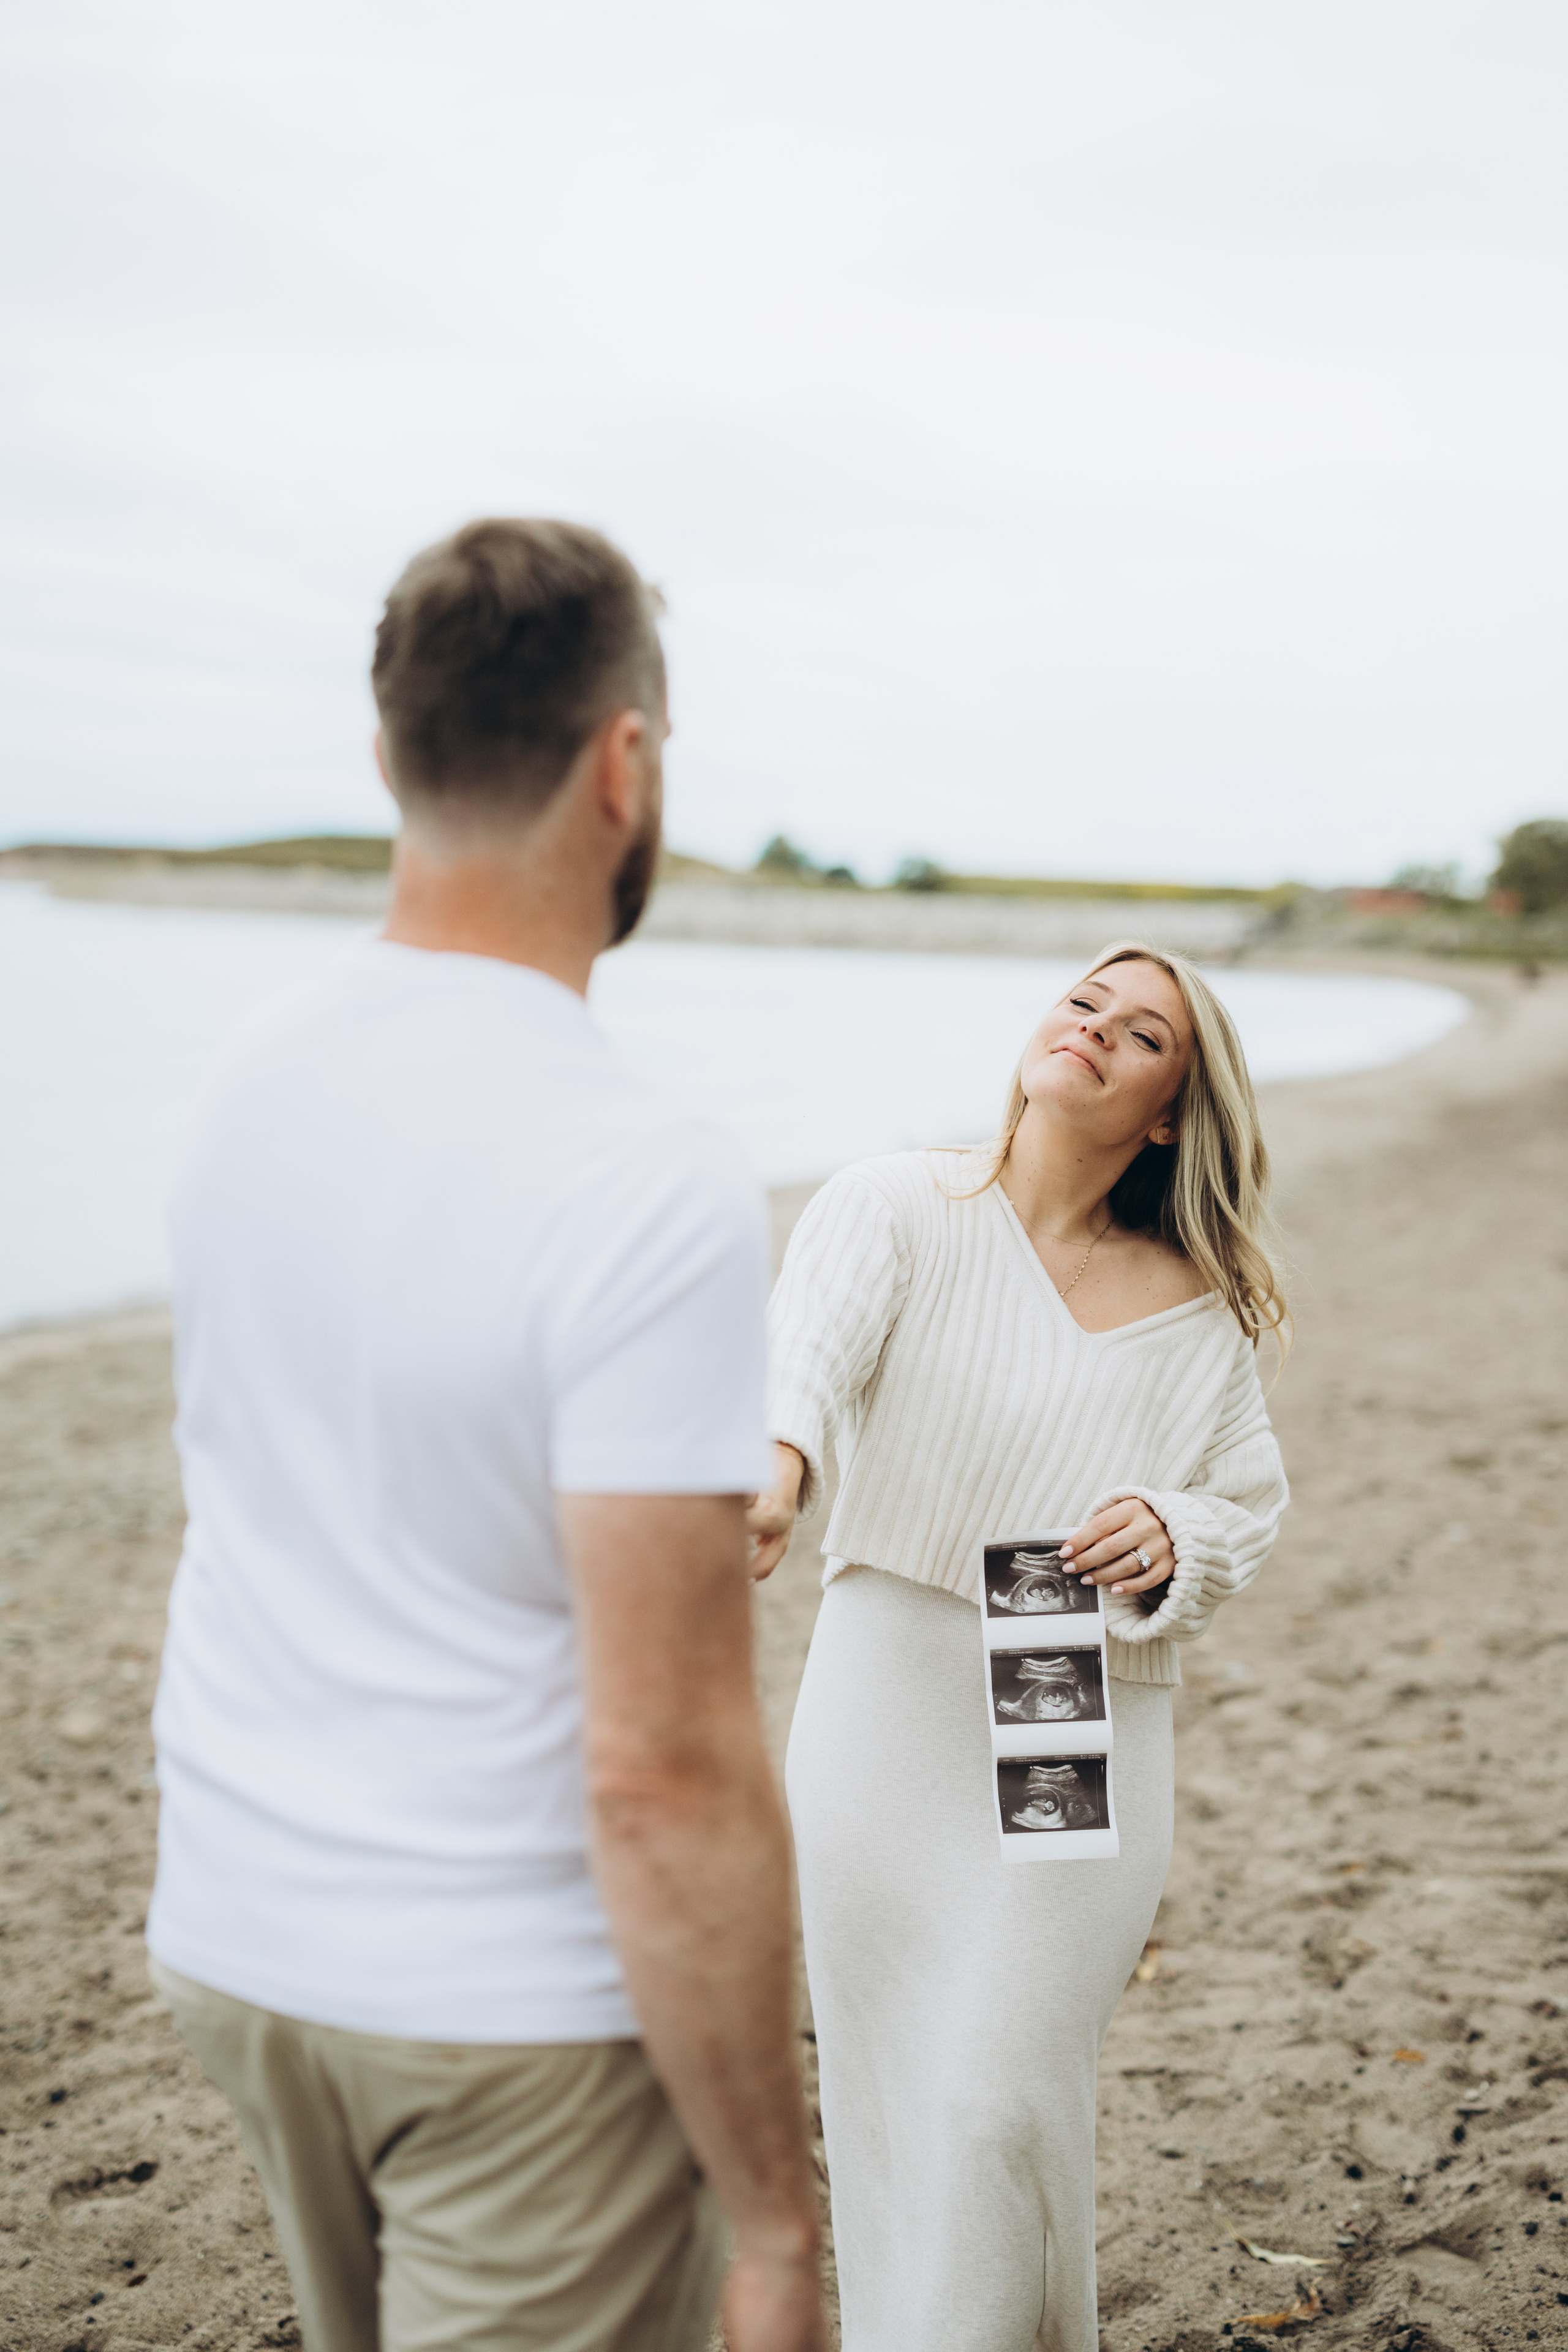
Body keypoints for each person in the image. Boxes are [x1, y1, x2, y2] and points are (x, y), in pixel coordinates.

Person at [147, 519, 826, 2352]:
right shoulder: (641, 1171)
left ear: (388, 755)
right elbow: (664, 1765)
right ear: (628, 765)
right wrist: (776, 2220)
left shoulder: (240, 1079)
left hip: (239, 1943)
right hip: (505, 2013)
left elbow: (309, 1481)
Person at [747, 943, 1289, 2352]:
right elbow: (804, 1353)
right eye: (1083, 1003)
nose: (1095, 1030)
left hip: (1068, 1703)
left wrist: (1175, 1531)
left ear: (1171, 1108)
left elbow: (1248, 1505)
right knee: (890, 2088)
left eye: (1143, 1032)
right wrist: (781, 1462)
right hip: (884, 1695)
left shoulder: (1199, 1313)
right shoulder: (896, 1204)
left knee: (998, 2084)